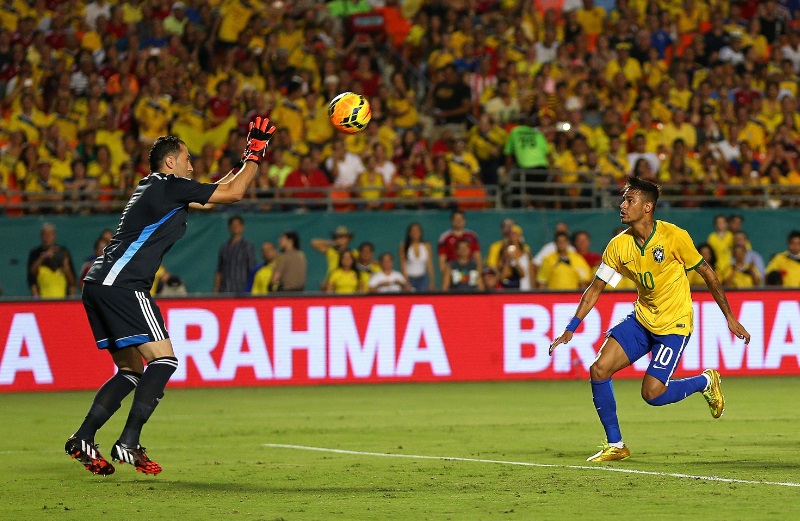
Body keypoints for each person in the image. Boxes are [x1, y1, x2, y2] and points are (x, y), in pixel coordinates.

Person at [65, 117, 277, 476]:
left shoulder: (159, 188)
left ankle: (83, 437)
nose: (191, 166)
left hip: (99, 282)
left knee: (131, 371)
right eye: (187, 159)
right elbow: (233, 194)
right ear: (169, 162)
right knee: (163, 361)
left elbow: (215, 194)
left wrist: (245, 158)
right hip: (124, 284)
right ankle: (128, 441)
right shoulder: (169, 186)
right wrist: (256, 155)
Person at [550, 177, 750, 462]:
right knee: (599, 369)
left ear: (647, 207)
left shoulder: (674, 236)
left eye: (629, 200)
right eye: (623, 200)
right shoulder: (618, 246)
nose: (622, 205)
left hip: (674, 324)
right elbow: (595, 288)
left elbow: (708, 274)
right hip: (642, 319)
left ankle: (705, 381)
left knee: (652, 394)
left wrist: (729, 317)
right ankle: (616, 445)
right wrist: (571, 327)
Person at [27, 223, 76, 298]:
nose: (47, 237)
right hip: (43, 299)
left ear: (54, 236)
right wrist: (43, 257)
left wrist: (66, 266)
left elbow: (72, 282)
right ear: (41, 236)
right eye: (45, 234)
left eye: (50, 234)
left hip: (62, 298)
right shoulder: (35, 253)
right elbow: (31, 276)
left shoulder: (63, 252)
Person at [214, 215, 256, 294]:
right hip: (224, 290)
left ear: (242, 227)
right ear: (229, 228)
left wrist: (250, 289)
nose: (235, 227)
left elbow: (252, 269)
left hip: (241, 290)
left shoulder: (247, 246)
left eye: (237, 225)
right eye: (233, 225)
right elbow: (219, 270)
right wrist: (216, 289)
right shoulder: (224, 247)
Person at [437, 209, 482, 280]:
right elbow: (442, 260)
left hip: (469, 272)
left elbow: (477, 257)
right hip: (452, 272)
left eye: (460, 219)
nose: (458, 221)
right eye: (456, 219)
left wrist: (478, 275)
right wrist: (445, 277)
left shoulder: (472, 236)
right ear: (451, 221)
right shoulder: (445, 237)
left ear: (464, 221)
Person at [399, 222, 436, 292]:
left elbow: (429, 264)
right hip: (409, 278)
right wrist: (406, 282)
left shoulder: (426, 245)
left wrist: (432, 281)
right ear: (409, 233)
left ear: (420, 232)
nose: (415, 232)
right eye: (413, 231)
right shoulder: (403, 246)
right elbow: (403, 266)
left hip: (422, 279)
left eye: (417, 230)